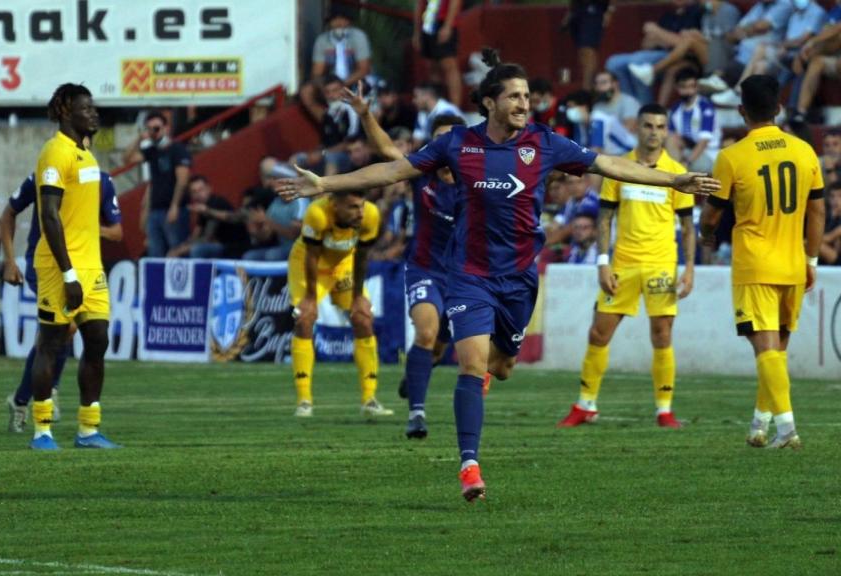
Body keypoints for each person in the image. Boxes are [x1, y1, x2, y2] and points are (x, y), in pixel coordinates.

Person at [276, 48, 719, 501]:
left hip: (520, 280)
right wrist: (326, 184)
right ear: (489, 102)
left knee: (501, 367)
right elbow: (393, 167)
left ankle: (485, 379)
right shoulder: (457, 145)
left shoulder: (544, 143)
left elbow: (608, 164)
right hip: (469, 275)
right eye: (514, 96)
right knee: (469, 364)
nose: (524, 104)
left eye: (527, 96)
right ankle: (469, 465)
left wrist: (671, 180)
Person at [699, 74, 825, 450]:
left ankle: (787, 431)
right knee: (776, 352)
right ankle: (759, 424)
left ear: (741, 111)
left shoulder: (732, 157)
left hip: (755, 265)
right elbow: (817, 213)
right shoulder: (804, 150)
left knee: (766, 349)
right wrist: (812, 259)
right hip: (793, 264)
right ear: (780, 108)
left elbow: (711, 216)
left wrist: (707, 236)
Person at [557, 103, 696, 430]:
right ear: (638, 129)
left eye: (661, 126)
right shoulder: (618, 168)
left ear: (666, 131)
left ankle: (664, 409)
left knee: (662, 335)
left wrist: (689, 269)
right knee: (599, 331)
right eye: (648, 125)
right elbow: (604, 219)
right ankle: (585, 405)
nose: (654, 132)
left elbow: (689, 227)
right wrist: (602, 263)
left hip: (661, 263)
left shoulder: (676, 172)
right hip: (623, 263)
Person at [346, 82, 465, 438]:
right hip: (424, 268)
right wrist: (366, 114)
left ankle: (414, 377)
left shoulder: (476, 180)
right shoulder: (420, 172)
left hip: (462, 275)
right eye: (439, 138)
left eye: (453, 138)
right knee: (426, 333)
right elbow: (384, 148)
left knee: (438, 347)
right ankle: (417, 414)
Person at [29, 83, 121, 450]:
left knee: (98, 340)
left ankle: (88, 429)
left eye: (94, 108)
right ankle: (42, 430)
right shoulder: (55, 152)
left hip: (91, 265)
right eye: (86, 109)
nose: (94, 114)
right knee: (51, 345)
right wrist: (68, 274)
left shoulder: (87, 155)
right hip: (58, 265)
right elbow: (49, 216)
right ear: (67, 111)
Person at [1, 169, 122, 433]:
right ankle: (44, 392)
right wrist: (10, 261)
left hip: (82, 267)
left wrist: (87, 226)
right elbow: (8, 213)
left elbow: (116, 232)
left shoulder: (101, 181)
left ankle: (22, 399)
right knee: (63, 329)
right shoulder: (45, 175)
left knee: (64, 331)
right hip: (42, 263)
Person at [287, 189, 393, 419]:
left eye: (362, 205)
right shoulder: (317, 214)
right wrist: (310, 298)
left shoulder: (371, 215)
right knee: (305, 319)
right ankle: (304, 400)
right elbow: (312, 256)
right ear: (334, 205)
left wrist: (357, 297)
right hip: (309, 264)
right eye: (353, 207)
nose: (360, 212)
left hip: (344, 265)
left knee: (363, 318)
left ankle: (369, 399)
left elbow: (362, 256)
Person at [605, 0, 704, 105]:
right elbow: (646, 45)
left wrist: (659, 33)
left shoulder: (696, 13)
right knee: (613, 63)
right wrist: (662, 38)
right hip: (657, 54)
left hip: (677, 58)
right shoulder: (668, 16)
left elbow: (687, 45)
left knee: (638, 62)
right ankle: (631, 105)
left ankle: (645, 106)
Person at [123, 111, 192, 258]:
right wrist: (139, 138)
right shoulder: (152, 151)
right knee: (155, 254)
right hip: (155, 210)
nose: (154, 132)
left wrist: (174, 206)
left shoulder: (177, 149)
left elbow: (183, 180)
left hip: (173, 209)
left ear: (166, 128)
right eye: (150, 128)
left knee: (176, 252)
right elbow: (127, 158)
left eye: (157, 128)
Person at [168, 175, 249, 259]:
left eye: (201, 190)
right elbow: (195, 236)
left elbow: (207, 238)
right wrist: (178, 249)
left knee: (197, 250)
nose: (198, 194)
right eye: (194, 192)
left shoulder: (216, 203)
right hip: (218, 245)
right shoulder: (201, 209)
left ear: (209, 189)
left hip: (232, 247)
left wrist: (180, 251)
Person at [667, 68, 721, 174]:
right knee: (669, 140)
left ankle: (677, 175)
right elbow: (673, 137)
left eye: (692, 86)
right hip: (686, 152)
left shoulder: (705, 107)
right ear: (676, 87)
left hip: (708, 154)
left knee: (677, 167)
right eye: (684, 87)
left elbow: (703, 142)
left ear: (697, 87)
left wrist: (687, 162)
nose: (689, 91)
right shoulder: (675, 108)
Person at [414, 0, 464, 107]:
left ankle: (455, 109)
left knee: (449, 64)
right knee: (432, 66)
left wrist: (448, 25)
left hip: (444, 20)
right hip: (428, 20)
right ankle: (436, 106)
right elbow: (420, 4)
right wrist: (417, 32)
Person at [564, 1, 616, 89]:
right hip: (579, 11)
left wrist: (609, 11)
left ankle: (587, 87)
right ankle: (593, 85)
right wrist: (569, 14)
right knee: (582, 52)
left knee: (588, 50)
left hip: (594, 10)